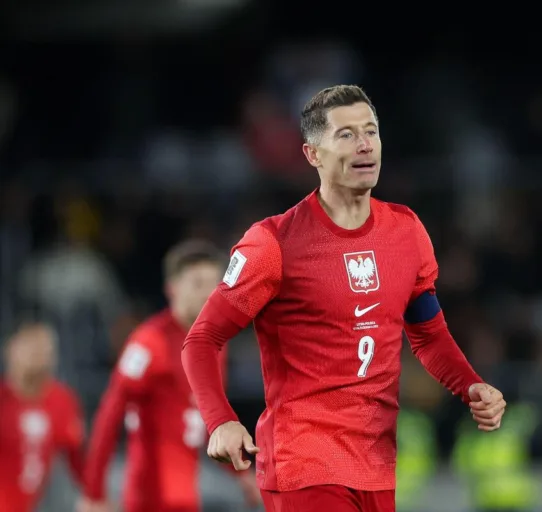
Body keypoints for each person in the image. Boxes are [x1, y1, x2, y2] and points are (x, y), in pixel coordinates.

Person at [182, 85, 507, 512]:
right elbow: (201, 340)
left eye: (371, 131)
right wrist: (221, 421)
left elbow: (428, 335)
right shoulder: (273, 243)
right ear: (313, 154)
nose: (365, 144)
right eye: (347, 134)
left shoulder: (406, 232)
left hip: (375, 465)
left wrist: (470, 385)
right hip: (304, 464)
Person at [77, 240, 260, 512]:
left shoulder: (214, 346)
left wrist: (241, 474)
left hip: (187, 496)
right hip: (150, 498)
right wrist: (93, 492)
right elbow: (110, 414)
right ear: (172, 288)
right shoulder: (150, 342)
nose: (208, 293)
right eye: (197, 284)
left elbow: (209, 420)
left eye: (214, 284)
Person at [0, 322, 86, 512]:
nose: (39, 355)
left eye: (46, 349)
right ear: (10, 350)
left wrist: (94, 494)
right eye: (31, 346)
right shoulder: (3, 401)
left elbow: (78, 458)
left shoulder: (62, 401)